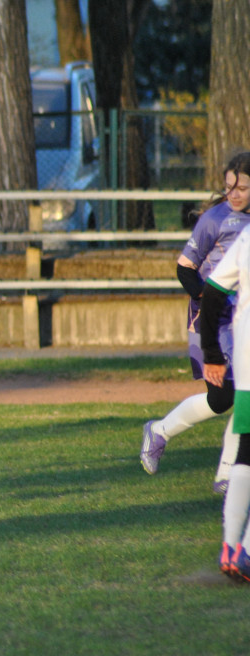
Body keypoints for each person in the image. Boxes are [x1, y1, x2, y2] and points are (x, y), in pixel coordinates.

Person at [140, 152, 250, 493]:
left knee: (243, 396)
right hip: (213, 320)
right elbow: (184, 268)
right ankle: (159, 431)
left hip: (243, 319)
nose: (233, 194)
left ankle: (228, 474)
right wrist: (208, 298)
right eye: (229, 187)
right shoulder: (214, 220)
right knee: (223, 398)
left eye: (242, 188)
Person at [198, 210, 250, 582]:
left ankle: (231, 547)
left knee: (247, 448)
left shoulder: (247, 237)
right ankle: (245, 551)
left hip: (247, 363)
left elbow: (213, 292)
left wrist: (212, 353)